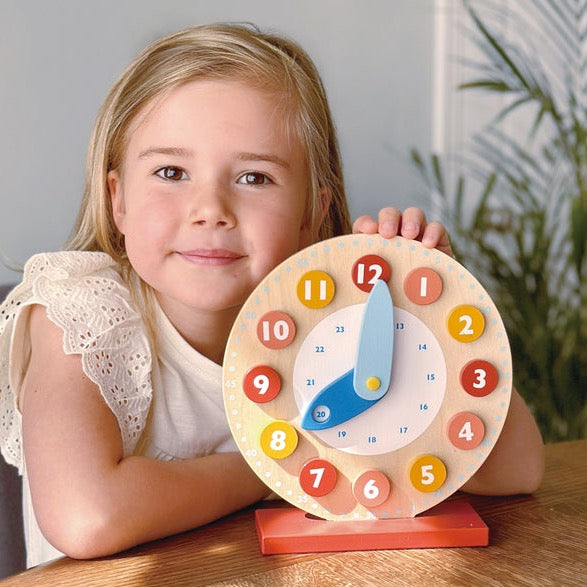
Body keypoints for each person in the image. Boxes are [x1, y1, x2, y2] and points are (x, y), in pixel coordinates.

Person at [0, 24, 544, 567]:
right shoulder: (81, 313)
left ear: (313, 214)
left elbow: (519, 469)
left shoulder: (343, 325)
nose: (210, 207)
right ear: (118, 201)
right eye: (171, 172)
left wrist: (436, 320)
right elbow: (87, 516)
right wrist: (277, 467)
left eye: (255, 178)